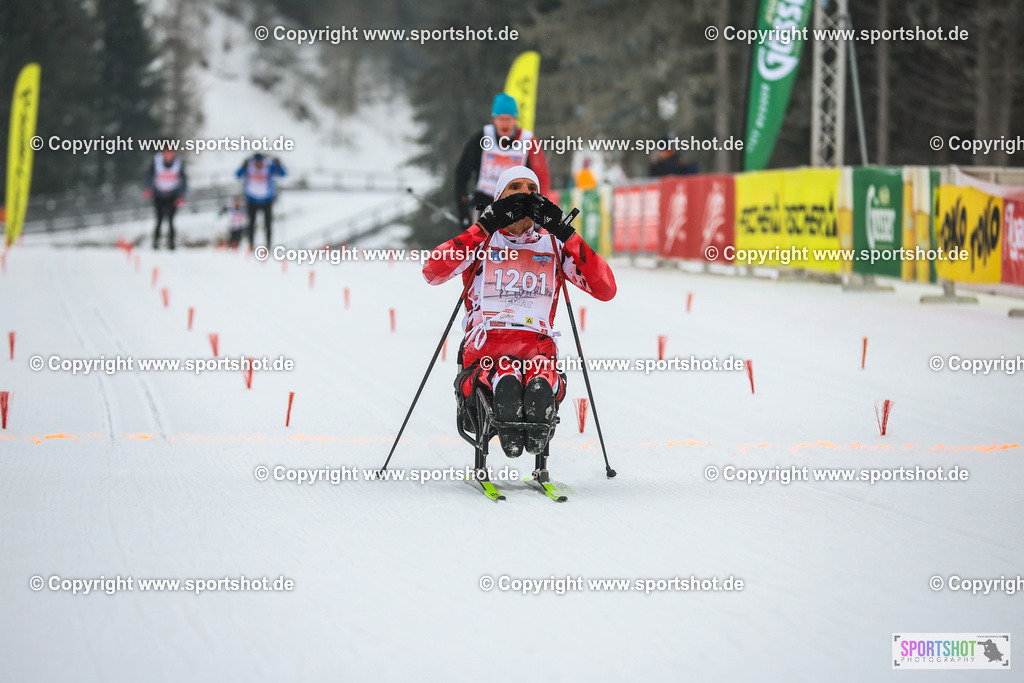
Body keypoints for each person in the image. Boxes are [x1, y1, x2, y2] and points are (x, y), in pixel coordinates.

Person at [424, 166, 616, 458]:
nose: (525, 194)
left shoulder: (552, 245)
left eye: (532, 189)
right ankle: (503, 391)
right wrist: (485, 226)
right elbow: (432, 271)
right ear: (500, 197)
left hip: (536, 347)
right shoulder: (482, 242)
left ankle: (534, 406)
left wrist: (566, 233)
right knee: (503, 375)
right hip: (486, 345)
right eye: (515, 188)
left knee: (539, 375)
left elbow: (606, 289)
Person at [453, 93, 551, 229]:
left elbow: (542, 177)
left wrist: (538, 212)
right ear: (494, 119)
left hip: (517, 209)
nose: (505, 124)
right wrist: (463, 211)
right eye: (501, 119)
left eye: (509, 119)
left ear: (516, 119)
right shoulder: (481, 138)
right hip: (484, 206)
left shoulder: (528, 141)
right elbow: (461, 174)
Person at [236, 153, 286, 247]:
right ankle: (251, 244)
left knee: (268, 224)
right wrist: (243, 166)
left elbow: (283, 174)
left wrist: (279, 165)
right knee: (251, 224)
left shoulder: (269, 167)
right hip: (252, 200)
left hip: (267, 200)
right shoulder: (249, 167)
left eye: (261, 163)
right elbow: (238, 175)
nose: (259, 165)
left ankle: (268, 245)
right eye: (257, 163)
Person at [144, 146, 187, 250]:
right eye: (166, 152)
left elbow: (184, 179)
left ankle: (171, 243)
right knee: (159, 219)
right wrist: (148, 188)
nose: (168, 155)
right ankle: (156, 242)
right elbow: (149, 175)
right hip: (159, 194)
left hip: (173, 195)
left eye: (171, 152)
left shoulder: (178, 163)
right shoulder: (156, 161)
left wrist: (181, 195)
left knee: (171, 220)